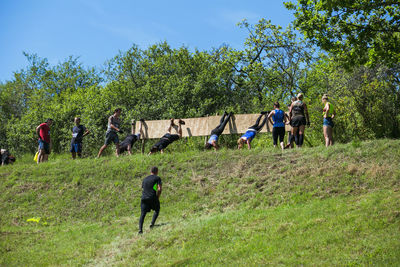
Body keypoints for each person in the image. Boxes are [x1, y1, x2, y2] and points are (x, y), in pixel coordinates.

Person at [138, 166, 162, 234]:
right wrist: (157, 197)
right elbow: (159, 189)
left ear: (150, 171)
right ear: (157, 171)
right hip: (152, 197)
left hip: (144, 198)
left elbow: (143, 188)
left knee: (142, 214)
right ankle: (152, 224)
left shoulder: (145, 179)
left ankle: (140, 229)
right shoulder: (157, 178)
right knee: (157, 209)